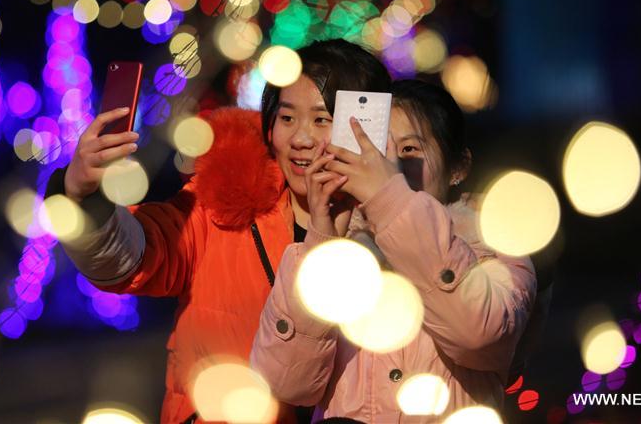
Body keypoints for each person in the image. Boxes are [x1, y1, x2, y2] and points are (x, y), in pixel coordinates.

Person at [44, 39, 391, 423]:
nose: (300, 139)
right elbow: (131, 260)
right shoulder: (225, 201)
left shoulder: (396, 228)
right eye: (287, 118)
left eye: (322, 120)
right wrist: (83, 196)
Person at [250, 79, 537, 422]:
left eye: (409, 149)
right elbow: (285, 384)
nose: (390, 165)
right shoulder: (345, 251)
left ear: (458, 168)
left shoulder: (492, 246)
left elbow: (478, 335)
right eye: (379, 149)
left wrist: (390, 200)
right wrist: (322, 242)